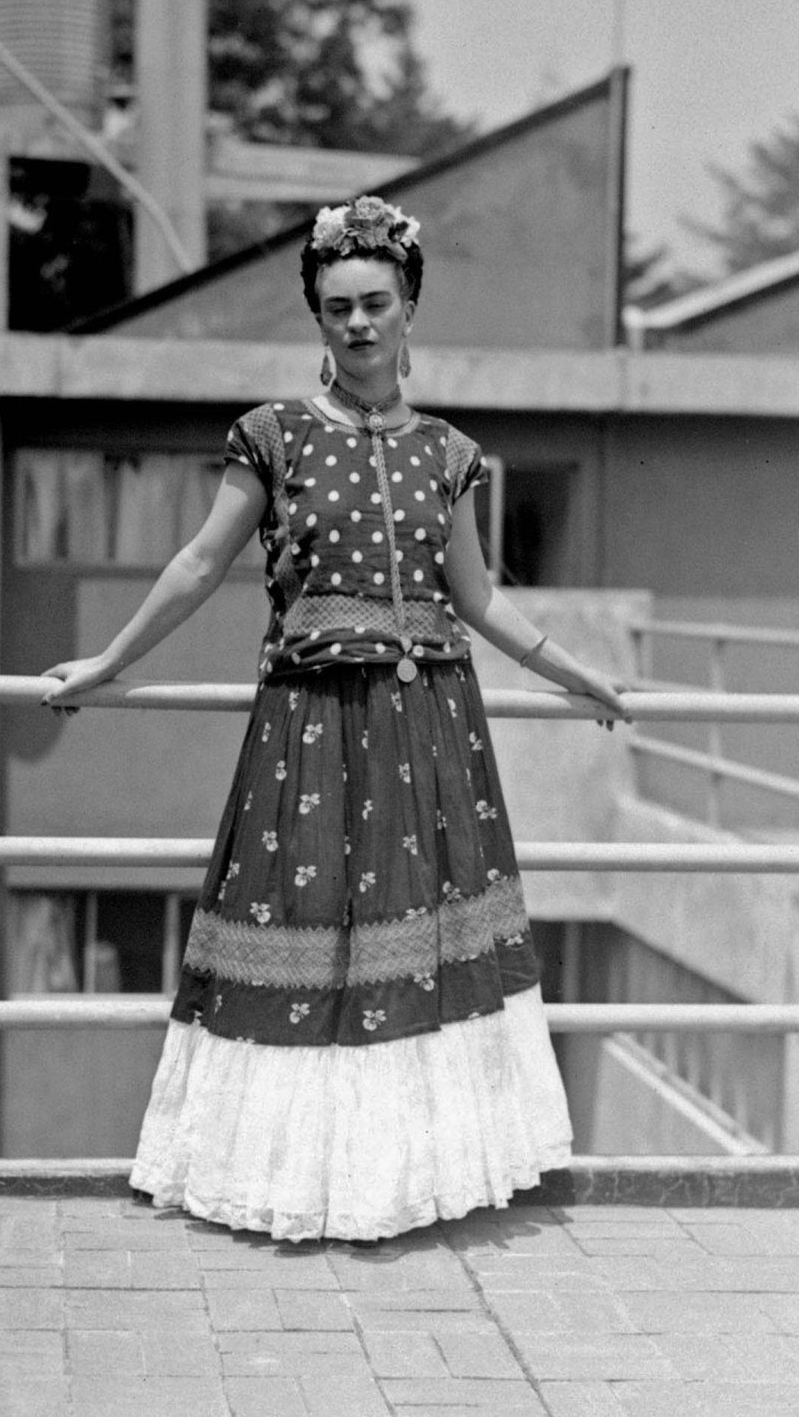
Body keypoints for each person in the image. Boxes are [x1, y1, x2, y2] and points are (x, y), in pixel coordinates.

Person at [41, 195, 628, 1242]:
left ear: (409, 311)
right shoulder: (271, 437)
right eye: (338, 307)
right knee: (305, 943)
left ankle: (400, 1182)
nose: (358, 324)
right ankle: (297, 1184)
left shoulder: (449, 453)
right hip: (310, 726)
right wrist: (110, 661)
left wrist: (578, 677)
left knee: (419, 950)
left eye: (377, 304)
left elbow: (482, 599)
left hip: (433, 727)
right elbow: (197, 562)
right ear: (318, 320)